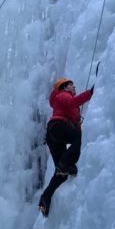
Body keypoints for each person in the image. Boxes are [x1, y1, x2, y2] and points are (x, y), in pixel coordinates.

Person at [38, 77, 94, 218]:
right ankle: (64, 163)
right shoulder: (61, 95)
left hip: (54, 135)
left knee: (61, 174)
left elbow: (76, 123)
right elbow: (72, 102)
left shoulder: (68, 103)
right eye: (71, 85)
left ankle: (45, 199)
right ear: (64, 87)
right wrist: (91, 93)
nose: (74, 87)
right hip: (57, 126)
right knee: (77, 138)